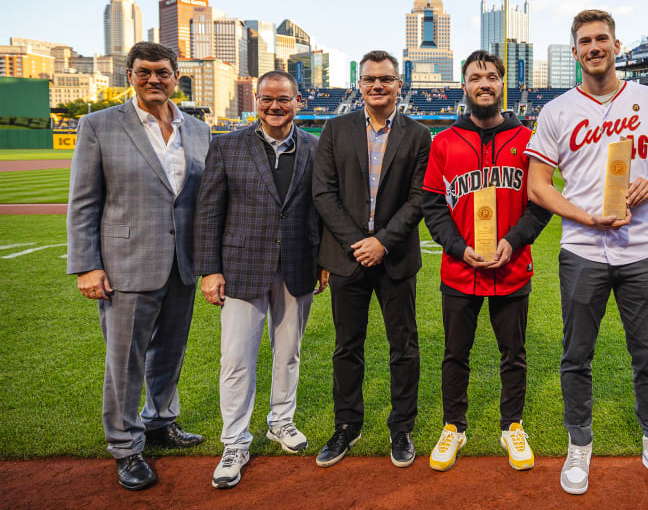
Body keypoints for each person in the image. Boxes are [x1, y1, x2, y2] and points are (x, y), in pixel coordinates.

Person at [525, 9, 648, 499]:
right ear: (574, 52)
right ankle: (580, 443)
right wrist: (582, 216)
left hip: (641, 248)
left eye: (602, 39)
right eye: (585, 41)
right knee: (576, 356)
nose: (594, 47)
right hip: (582, 249)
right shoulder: (556, 111)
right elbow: (537, 185)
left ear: (617, 45)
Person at [66, 42, 209, 490]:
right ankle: (126, 447)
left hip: (181, 264)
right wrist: (87, 266)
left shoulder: (198, 129)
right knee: (124, 362)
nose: (154, 80)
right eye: (144, 72)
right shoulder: (98, 126)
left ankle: (160, 421)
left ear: (176, 76)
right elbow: (84, 203)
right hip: (126, 264)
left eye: (162, 72)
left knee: (169, 352)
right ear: (129, 74)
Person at [194, 70, 327, 489]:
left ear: (298, 101)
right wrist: (210, 269)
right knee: (236, 360)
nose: (274, 106)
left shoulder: (314, 147)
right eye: (267, 98)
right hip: (240, 268)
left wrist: (324, 261)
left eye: (283, 99)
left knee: (288, 353)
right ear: (256, 100)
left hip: (298, 266)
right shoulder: (227, 145)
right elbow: (209, 210)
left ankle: (280, 422)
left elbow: (320, 210)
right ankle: (234, 441)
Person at [422, 50, 551, 472]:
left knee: (513, 353)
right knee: (455, 353)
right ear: (465, 86)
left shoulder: (528, 140)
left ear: (501, 85)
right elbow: (433, 206)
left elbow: (541, 203)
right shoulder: (442, 142)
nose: (484, 84)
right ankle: (453, 426)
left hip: (512, 267)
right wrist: (459, 248)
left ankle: (512, 424)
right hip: (461, 269)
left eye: (492, 77)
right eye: (476, 77)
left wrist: (513, 241)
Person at [313, 50, 431, 469]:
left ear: (400, 85)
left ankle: (401, 426)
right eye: (369, 79)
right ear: (358, 85)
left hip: (395, 257)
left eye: (385, 79)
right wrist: (357, 242)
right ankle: (347, 425)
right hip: (347, 259)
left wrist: (381, 241)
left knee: (404, 346)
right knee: (347, 347)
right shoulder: (335, 128)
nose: (377, 85)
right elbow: (323, 194)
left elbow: (419, 198)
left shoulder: (418, 135)